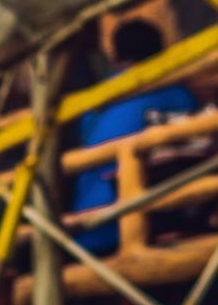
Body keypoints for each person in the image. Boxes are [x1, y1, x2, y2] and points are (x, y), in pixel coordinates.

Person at [69, 18, 200, 257]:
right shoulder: (178, 95)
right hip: (146, 227)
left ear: (115, 56)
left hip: (88, 227)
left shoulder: (95, 101)